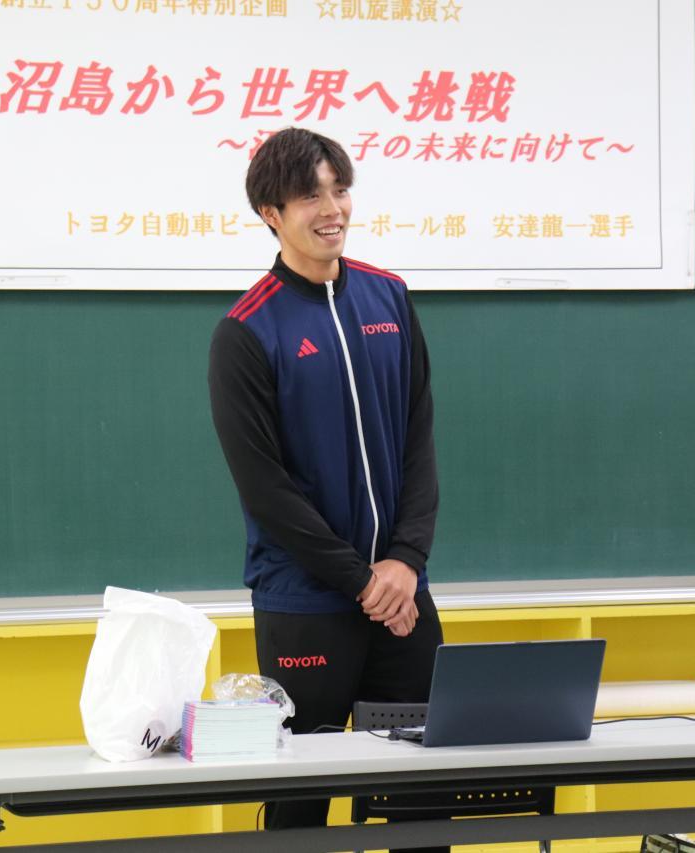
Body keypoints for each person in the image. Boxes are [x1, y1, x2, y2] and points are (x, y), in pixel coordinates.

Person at [207, 127, 445, 850]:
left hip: (402, 595)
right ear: (271, 213)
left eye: (340, 190)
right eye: (310, 195)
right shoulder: (247, 331)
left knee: (421, 793)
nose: (332, 208)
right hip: (306, 604)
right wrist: (361, 580)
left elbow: (418, 440)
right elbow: (265, 489)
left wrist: (405, 561)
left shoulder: (389, 298)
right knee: (301, 801)